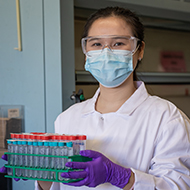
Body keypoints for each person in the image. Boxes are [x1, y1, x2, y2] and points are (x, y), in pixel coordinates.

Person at [1, 6, 190, 190]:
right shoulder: (67, 118)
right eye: (96, 44)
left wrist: (121, 177)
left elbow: (179, 186)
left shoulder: (167, 119)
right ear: (86, 52)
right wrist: (40, 172)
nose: (106, 52)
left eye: (118, 43)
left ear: (139, 50)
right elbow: (59, 185)